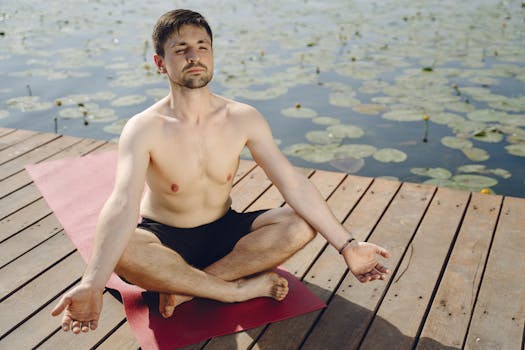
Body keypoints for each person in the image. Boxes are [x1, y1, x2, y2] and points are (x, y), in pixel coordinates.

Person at [51, 9, 391, 334]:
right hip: (164, 237)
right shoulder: (144, 128)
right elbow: (123, 203)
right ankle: (234, 290)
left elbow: (293, 183)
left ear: (212, 55)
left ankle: (186, 288)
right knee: (122, 252)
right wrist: (91, 283)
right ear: (160, 63)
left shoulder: (243, 117)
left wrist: (347, 245)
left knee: (302, 223)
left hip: (226, 231)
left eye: (202, 47)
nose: (194, 56)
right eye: (181, 49)